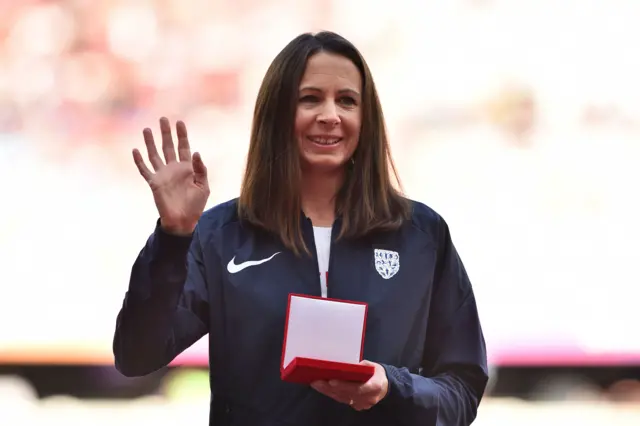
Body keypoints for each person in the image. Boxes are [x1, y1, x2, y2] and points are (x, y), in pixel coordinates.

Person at [113, 31, 488, 426]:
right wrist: (173, 238)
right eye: (310, 98)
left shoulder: (421, 236)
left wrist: (392, 386)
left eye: (347, 100)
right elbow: (137, 355)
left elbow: (461, 392)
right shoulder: (220, 235)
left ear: (367, 118)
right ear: (277, 112)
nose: (330, 115)